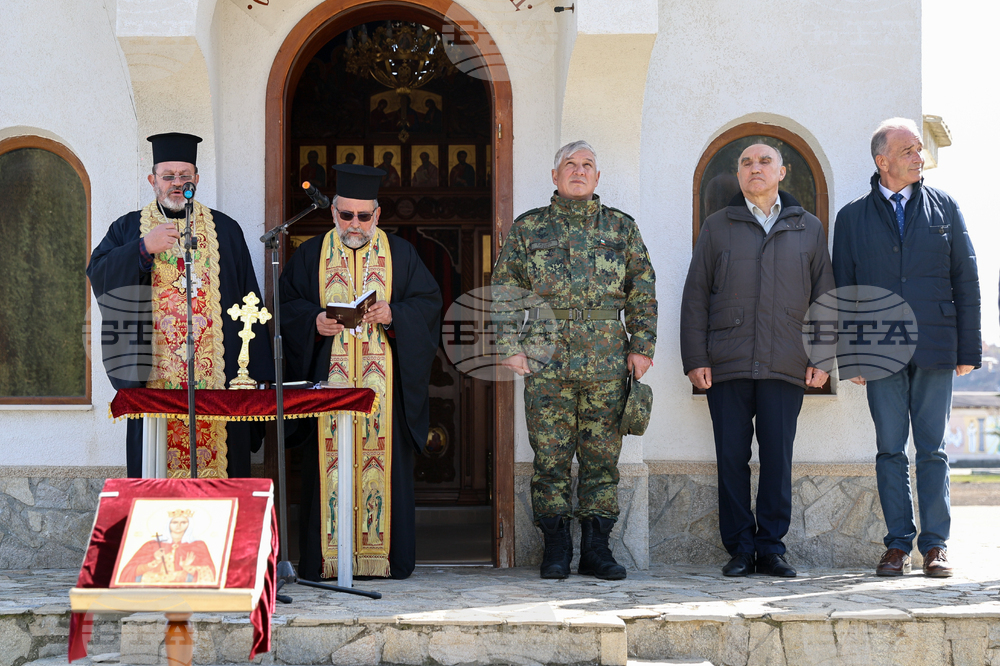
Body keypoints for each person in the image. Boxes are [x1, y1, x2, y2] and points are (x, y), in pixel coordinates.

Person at [491, 141, 657, 580]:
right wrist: (510, 345)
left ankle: (598, 550)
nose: (578, 172)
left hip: (607, 363)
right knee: (550, 460)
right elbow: (504, 289)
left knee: (602, 460)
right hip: (546, 363)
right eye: (570, 165)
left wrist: (642, 347)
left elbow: (643, 290)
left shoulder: (621, 228)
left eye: (587, 166)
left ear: (597, 178)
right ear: (555, 176)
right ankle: (557, 548)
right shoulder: (530, 229)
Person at [833, 118, 981, 578]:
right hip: (879, 349)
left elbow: (966, 278)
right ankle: (897, 544)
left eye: (920, 149)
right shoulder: (852, 217)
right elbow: (844, 288)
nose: (921, 156)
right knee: (890, 450)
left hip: (937, 345)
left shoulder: (946, 207)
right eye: (910, 150)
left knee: (932, 449)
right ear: (883, 161)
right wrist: (850, 355)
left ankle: (935, 546)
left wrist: (968, 348)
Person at [279, 163, 441, 580]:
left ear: (377, 215)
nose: (355, 223)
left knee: (384, 466)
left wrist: (394, 315)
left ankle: (385, 558)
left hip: (383, 394)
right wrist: (312, 322)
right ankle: (324, 560)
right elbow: (284, 305)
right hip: (326, 389)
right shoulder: (311, 255)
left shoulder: (401, 255)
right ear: (332, 213)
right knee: (324, 469)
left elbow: (428, 304)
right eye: (346, 214)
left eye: (363, 215)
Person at [681, 143, 834, 578]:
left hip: (786, 361)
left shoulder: (809, 228)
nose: (756, 168)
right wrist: (695, 357)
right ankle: (739, 549)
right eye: (747, 162)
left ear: (783, 172)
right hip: (727, 362)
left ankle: (770, 548)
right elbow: (695, 296)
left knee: (777, 459)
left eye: (765, 161)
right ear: (739, 174)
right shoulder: (717, 225)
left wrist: (822, 357)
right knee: (730, 457)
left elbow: (824, 298)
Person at [87, 132, 272, 479]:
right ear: (152, 180)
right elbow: (98, 272)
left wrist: (258, 376)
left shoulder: (225, 231)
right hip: (155, 384)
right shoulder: (129, 228)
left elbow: (250, 302)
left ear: (196, 179)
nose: (177, 183)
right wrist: (143, 248)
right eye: (168, 176)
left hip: (218, 384)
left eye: (184, 175)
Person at [117, 509, 216, 585]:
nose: (179, 526)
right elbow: (130, 570)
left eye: (183, 522)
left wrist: (187, 567)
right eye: (175, 522)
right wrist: (154, 562)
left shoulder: (197, 545)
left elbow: (209, 572)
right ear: (169, 524)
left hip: (184, 589)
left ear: (189, 525)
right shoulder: (152, 545)